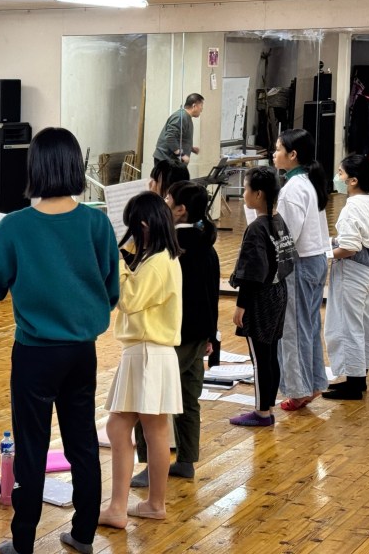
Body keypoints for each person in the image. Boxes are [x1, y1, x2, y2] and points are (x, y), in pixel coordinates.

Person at [0, 127, 119, 554]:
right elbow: (110, 291)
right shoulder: (96, 222)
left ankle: (23, 541)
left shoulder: (16, 226)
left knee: (32, 447)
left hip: (35, 354)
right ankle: (84, 533)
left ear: (34, 168)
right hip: (82, 351)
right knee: (82, 443)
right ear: (75, 167)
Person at [99, 191, 182, 529]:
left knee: (122, 427)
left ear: (144, 225)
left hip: (146, 351)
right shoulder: (163, 257)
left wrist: (117, 261)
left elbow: (129, 300)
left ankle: (120, 508)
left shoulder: (158, 261)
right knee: (154, 430)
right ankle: (152, 504)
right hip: (153, 352)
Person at [131, 181, 219, 486]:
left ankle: (149, 465)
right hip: (199, 335)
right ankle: (186, 460)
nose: (163, 202)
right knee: (188, 399)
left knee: (149, 400)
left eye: (167, 199)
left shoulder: (173, 249)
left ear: (180, 210)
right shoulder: (205, 244)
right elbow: (211, 295)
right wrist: (211, 336)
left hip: (174, 335)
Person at [228, 168, 296, 426]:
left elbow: (252, 272)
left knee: (260, 358)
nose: (244, 194)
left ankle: (262, 412)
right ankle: (267, 405)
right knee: (270, 353)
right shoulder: (279, 220)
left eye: (246, 189)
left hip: (261, 297)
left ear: (258, 194)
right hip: (279, 292)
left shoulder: (257, 228)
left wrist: (241, 305)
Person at [322, 154, 369, 400]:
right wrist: (333, 242)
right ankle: (358, 378)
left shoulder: (352, 206)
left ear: (353, 180)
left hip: (352, 273)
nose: (337, 178)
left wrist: (323, 254)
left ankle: (353, 383)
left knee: (347, 327)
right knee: (363, 325)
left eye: (340, 173)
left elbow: (350, 247)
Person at [273, 128, 331, 411]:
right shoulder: (308, 182)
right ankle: (314, 383)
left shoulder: (293, 189)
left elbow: (287, 236)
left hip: (300, 263)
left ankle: (298, 390)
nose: (274, 154)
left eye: (278, 149)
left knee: (293, 330)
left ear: (293, 155)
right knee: (309, 325)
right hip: (316, 258)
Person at [153, 93, 204, 165]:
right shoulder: (181, 117)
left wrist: (190, 148)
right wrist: (181, 155)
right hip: (166, 160)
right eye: (201, 105)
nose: (202, 109)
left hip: (171, 161)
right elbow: (170, 137)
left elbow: (178, 137)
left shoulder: (185, 117)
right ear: (194, 106)